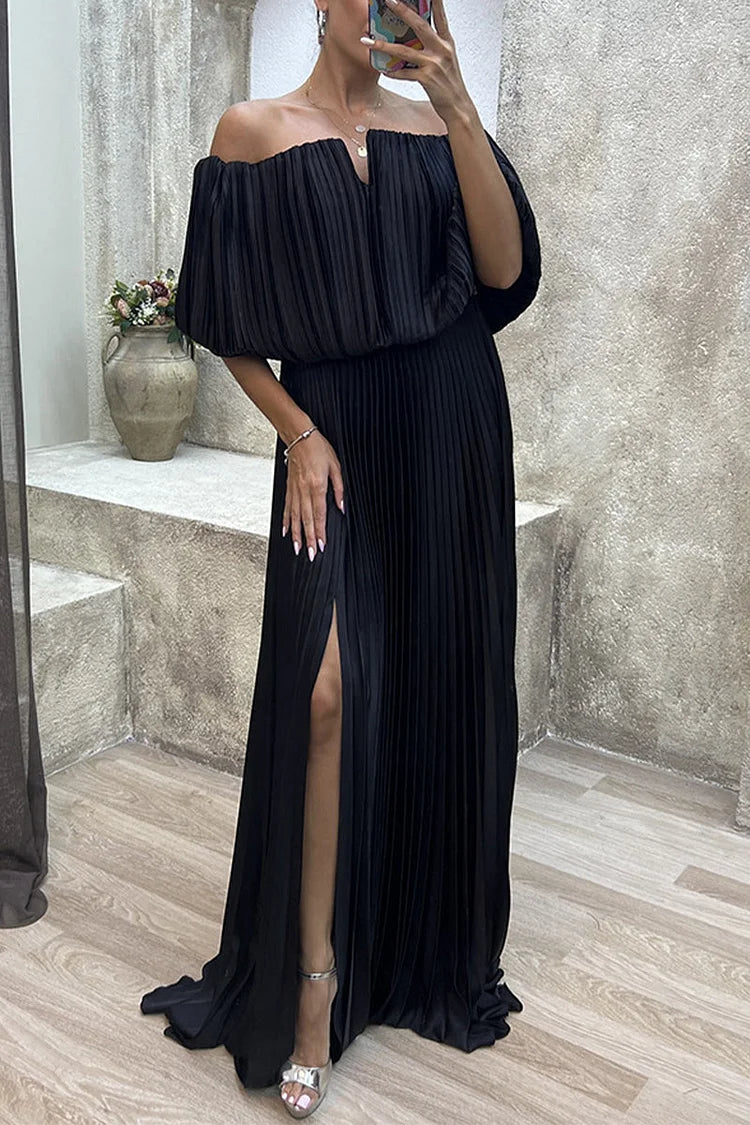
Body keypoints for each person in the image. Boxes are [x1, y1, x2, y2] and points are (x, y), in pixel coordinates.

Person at [140, 0, 542, 1117]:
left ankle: (415, 946)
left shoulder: (434, 124)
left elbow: (504, 273)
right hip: (335, 440)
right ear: (320, 4)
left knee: (435, 682)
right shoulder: (250, 132)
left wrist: (457, 104)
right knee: (324, 692)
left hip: (451, 427)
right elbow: (221, 318)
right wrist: (299, 432)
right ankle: (312, 985)